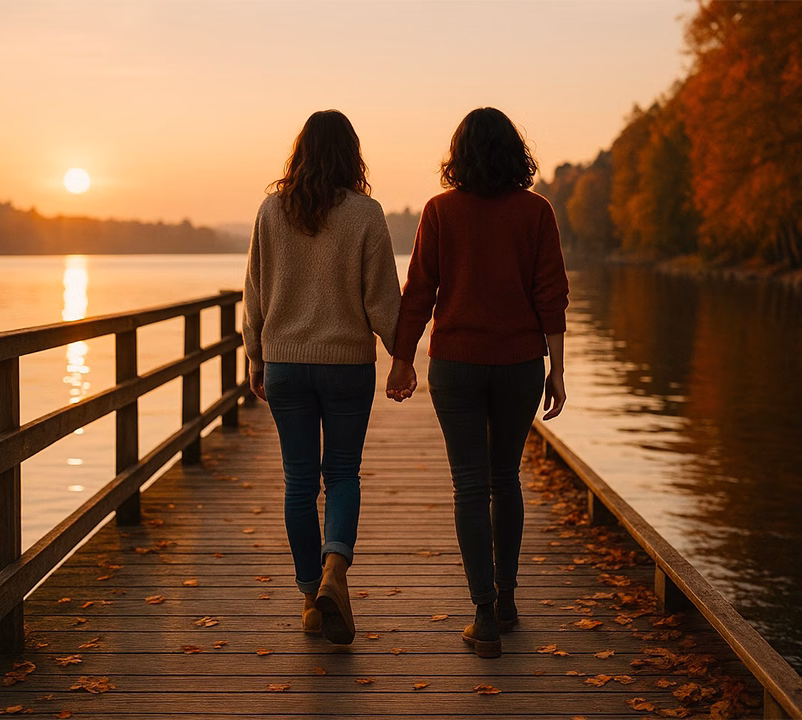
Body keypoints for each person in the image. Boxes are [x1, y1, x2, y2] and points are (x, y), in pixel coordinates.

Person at [385, 107, 569, 658]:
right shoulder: (537, 212)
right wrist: (556, 369)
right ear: (517, 153)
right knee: (504, 479)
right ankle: (507, 601)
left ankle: (484, 615)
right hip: (518, 366)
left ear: (457, 155)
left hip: (457, 366)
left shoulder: (440, 211)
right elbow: (551, 296)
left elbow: (419, 291)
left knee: (470, 484)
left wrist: (401, 359)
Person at [243, 109, 403, 645]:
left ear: (301, 152)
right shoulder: (366, 213)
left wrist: (255, 357)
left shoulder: (271, 211)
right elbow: (382, 299)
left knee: (297, 481)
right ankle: (337, 568)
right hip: (346, 365)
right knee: (342, 474)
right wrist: (402, 353)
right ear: (350, 153)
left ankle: (312, 598)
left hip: (286, 364)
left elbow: (255, 293)